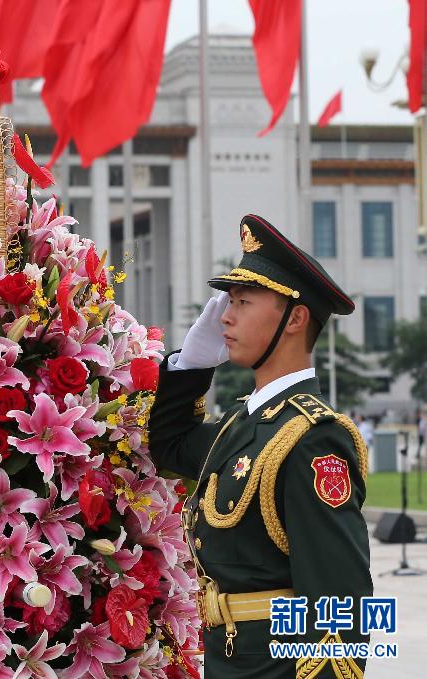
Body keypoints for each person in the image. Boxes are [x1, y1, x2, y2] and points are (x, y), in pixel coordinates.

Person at [149, 214, 371, 678]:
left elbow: (340, 603)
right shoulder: (240, 423)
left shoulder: (313, 437)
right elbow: (170, 447)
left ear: (295, 317)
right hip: (230, 658)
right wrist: (192, 364)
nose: (226, 316)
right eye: (229, 301)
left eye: (244, 302)